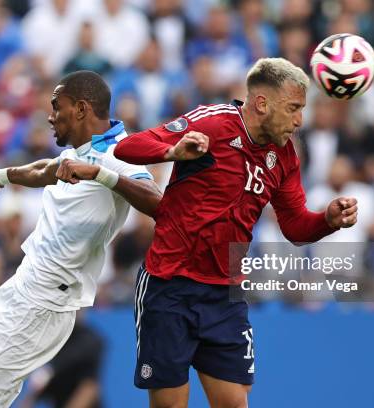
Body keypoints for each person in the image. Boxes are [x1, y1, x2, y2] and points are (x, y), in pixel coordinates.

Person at [114, 58, 358, 408]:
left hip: (224, 294)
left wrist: (327, 221)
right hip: (169, 285)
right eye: (293, 108)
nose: (299, 120)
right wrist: (172, 151)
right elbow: (128, 147)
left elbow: (295, 227)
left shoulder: (285, 156)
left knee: (234, 403)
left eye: (301, 109)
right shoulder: (212, 123)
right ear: (262, 103)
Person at [0, 70, 162, 408]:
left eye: (56, 106)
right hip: (20, 287)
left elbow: (158, 201)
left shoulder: (121, 153)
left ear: (80, 108)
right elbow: (45, 171)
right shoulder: (77, 152)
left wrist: (101, 175)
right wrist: (0, 175)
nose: (50, 116)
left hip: (43, 303)